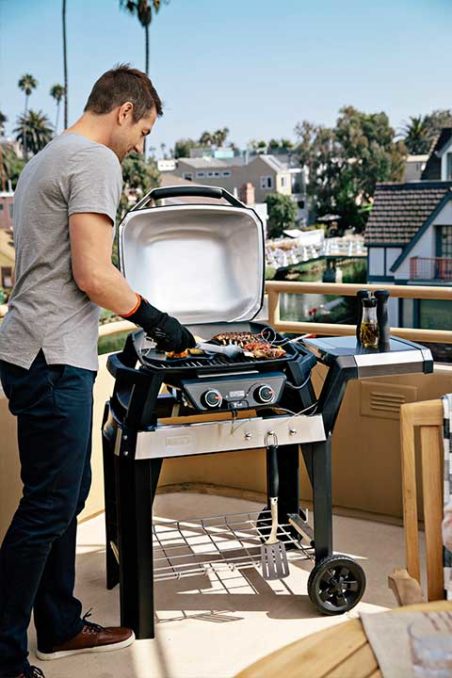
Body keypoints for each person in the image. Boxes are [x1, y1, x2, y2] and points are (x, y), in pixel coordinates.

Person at [0, 64, 195, 678]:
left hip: (29, 350)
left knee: (61, 497)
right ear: (124, 111)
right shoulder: (94, 161)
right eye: (144, 131)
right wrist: (157, 320)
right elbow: (92, 273)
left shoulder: (46, 156)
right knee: (50, 505)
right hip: (53, 356)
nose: (141, 146)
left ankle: (56, 625)